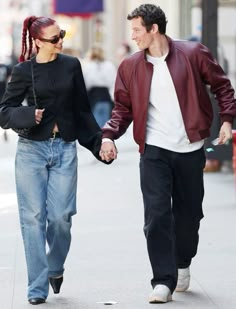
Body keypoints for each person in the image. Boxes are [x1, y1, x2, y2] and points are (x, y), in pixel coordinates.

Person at [99, 4, 236, 304]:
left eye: (137, 30)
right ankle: (163, 280)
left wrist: (226, 120)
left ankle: (182, 261)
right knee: (156, 216)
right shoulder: (130, 66)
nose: (133, 36)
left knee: (189, 217)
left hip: (190, 149)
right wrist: (108, 135)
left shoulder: (193, 54)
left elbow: (222, 86)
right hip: (154, 151)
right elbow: (123, 108)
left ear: (154, 29)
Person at [0, 16, 107, 305]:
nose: (60, 41)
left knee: (61, 217)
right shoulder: (23, 71)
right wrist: (27, 114)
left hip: (64, 150)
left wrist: (99, 144)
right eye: (54, 39)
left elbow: (83, 111)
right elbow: (5, 111)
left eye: (61, 35)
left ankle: (55, 266)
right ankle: (37, 287)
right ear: (36, 42)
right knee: (32, 219)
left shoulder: (71, 65)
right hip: (31, 151)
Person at [83, 45, 116, 127]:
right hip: (106, 97)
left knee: (95, 124)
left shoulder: (87, 66)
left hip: (93, 97)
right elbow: (114, 82)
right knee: (105, 124)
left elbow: (84, 83)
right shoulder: (109, 65)